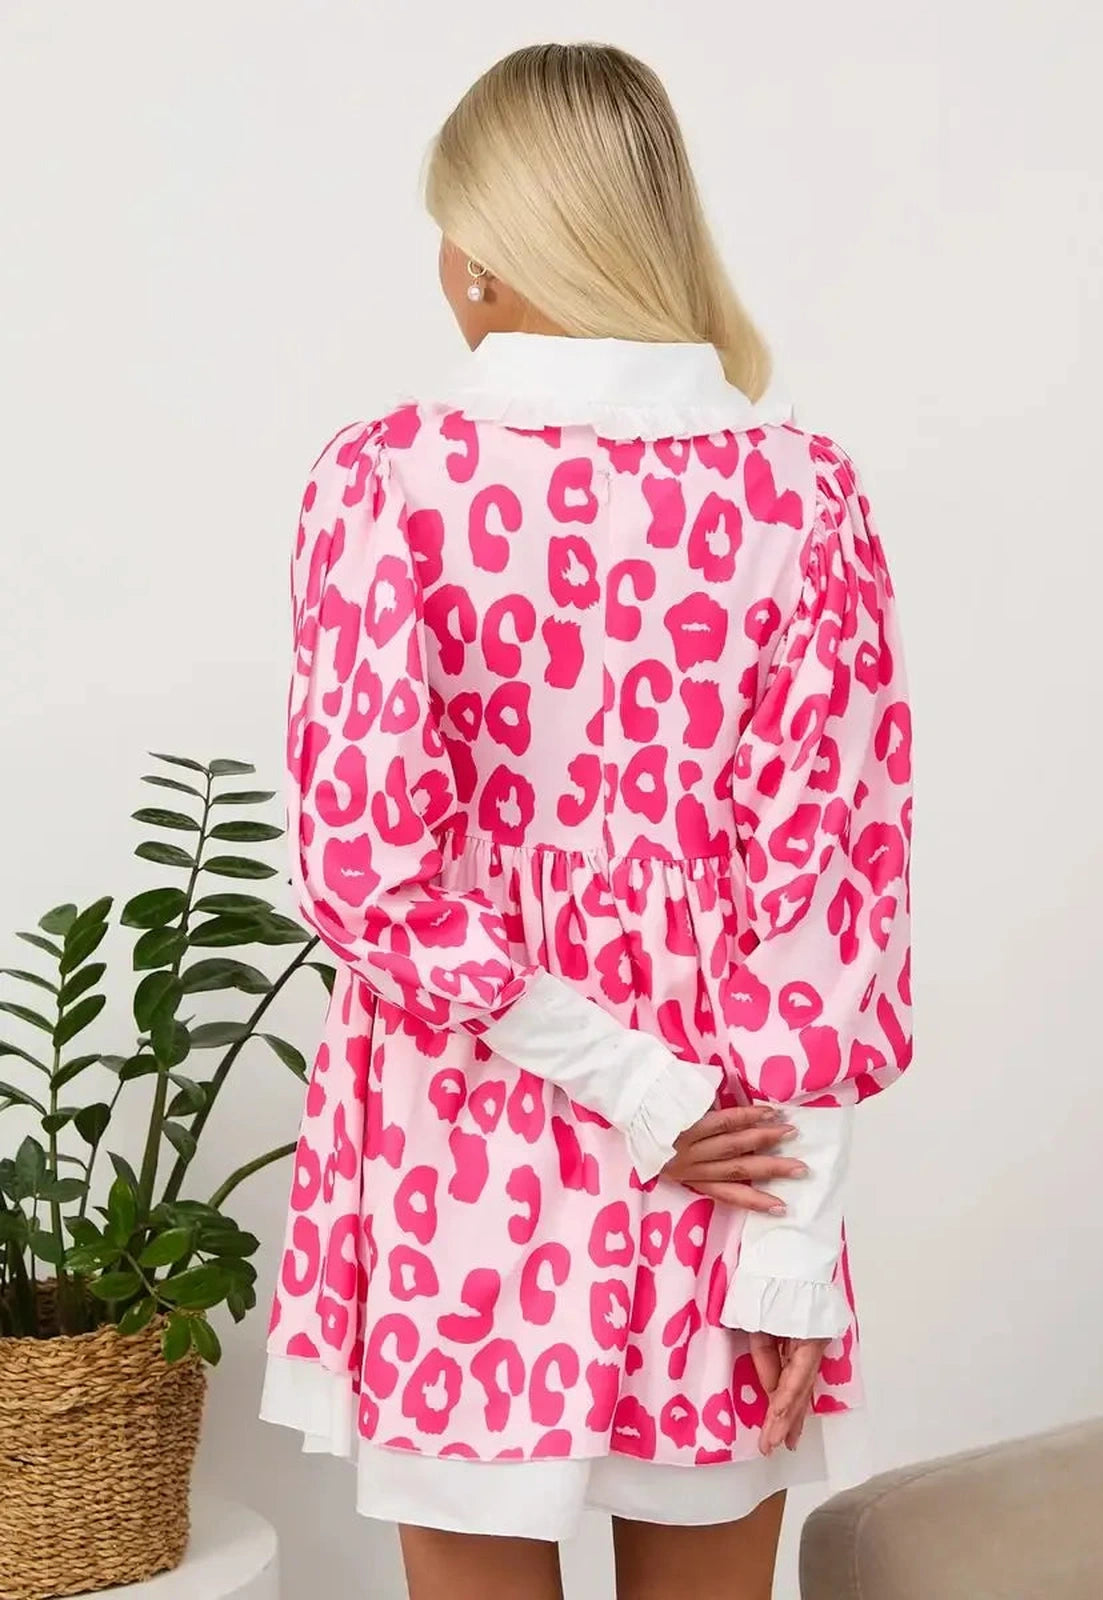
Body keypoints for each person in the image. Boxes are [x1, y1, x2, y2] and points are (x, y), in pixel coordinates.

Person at [260, 40, 912, 1600]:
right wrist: (784, 1251)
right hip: (728, 1163)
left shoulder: (388, 482)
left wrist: (634, 1087)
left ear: (484, 252)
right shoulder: (799, 494)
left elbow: (369, 873)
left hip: (464, 1151)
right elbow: (828, 896)